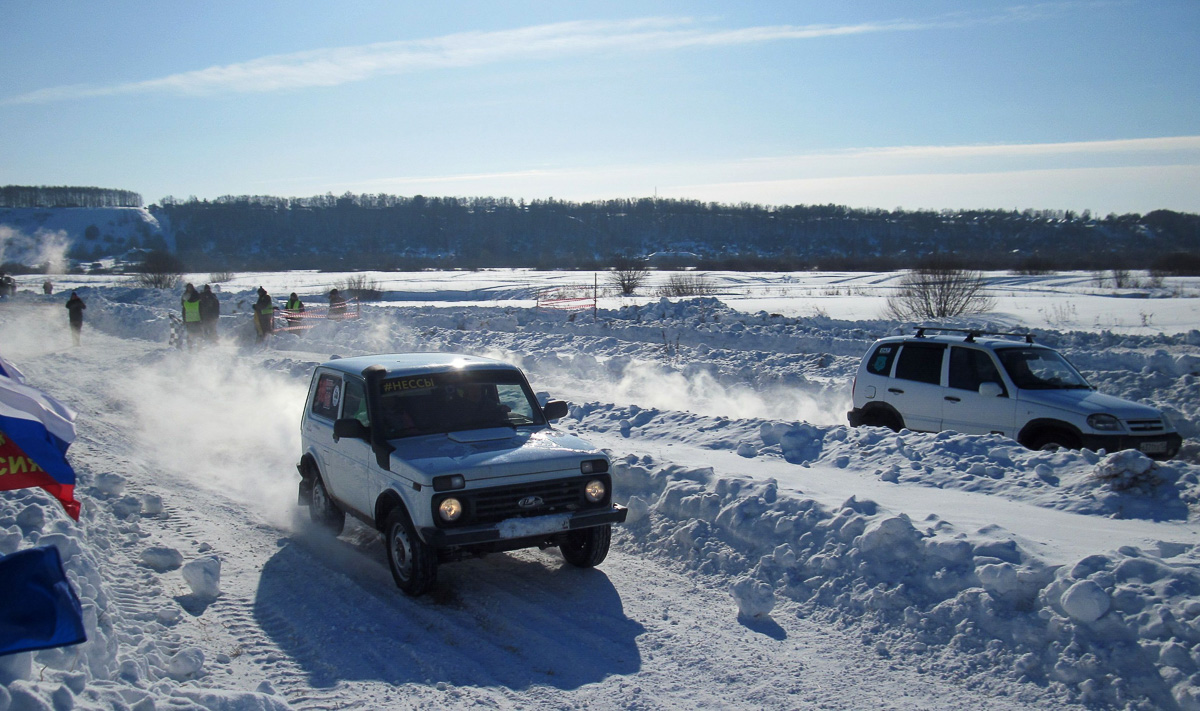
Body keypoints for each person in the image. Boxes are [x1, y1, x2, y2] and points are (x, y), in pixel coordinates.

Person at [181, 283, 203, 350]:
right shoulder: (197, 298)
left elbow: (183, 310)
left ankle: (190, 348)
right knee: (199, 334)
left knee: (190, 335)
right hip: (197, 319)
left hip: (189, 319)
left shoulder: (185, 300)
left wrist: (184, 320)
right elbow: (201, 309)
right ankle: (199, 348)